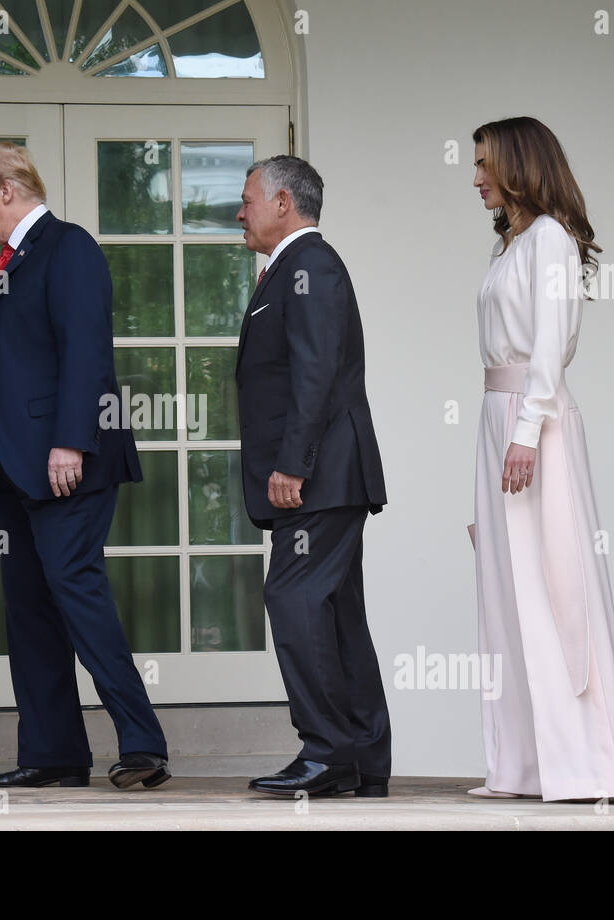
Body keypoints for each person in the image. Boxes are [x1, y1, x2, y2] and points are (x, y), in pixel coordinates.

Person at [0, 142, 170, 789]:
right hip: (17, 467)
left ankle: (143, 744)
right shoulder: (13, 259)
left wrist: (71, 441)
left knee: (77, 591)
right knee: (29, 607)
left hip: (63, 459)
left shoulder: (67, 245)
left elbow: (87, 348)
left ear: (5, 190)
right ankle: (52, 754)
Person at [469, 116, 614, 801]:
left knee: (556, 585)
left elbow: (549, 346)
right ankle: (522, 765)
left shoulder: (550, 240)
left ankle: (587, 764)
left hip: (531, 421)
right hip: (495, 419)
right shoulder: (508, 246)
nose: (475, 176)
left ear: (517, 164)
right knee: (507, 593)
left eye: (484, 163)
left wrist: (528, 430)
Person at [234, 155, 391, 797]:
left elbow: (316, 373)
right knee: (336, 614)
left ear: (282, 204)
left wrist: (291, 465)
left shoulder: (311, 266)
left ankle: (327, 753)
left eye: (247, 199)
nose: (239, 213)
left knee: (294, 599)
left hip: (317, 476)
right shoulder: (291, 270)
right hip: (323, 475)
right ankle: (360, 759)